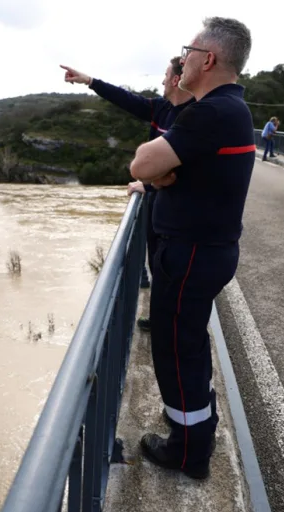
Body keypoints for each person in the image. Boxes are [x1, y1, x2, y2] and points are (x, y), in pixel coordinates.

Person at [126, 16, 255, 479]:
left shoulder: (211, 113)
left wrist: (155, 173)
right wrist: (160, 176)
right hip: (205, 251)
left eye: (189, 50)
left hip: (193, 252)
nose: (183, 59)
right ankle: (197, 423)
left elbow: (142, 163)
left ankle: (188, 452)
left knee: (177, 349)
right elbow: (161, 172)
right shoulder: (229, 109)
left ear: (209, 58)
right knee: (189, 344)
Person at [61, 59, 194, 331]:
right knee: (157, 262)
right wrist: (90, 81)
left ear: (175, 80)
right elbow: (126, 99)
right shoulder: (162, 108)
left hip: (178, 210)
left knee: (173, 270)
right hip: (157, 202)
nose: (161, 81)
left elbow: (185, 171)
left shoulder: (193, 115)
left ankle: (176, 325)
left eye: (165, 75)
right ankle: (161, 318)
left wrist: (150, 184)